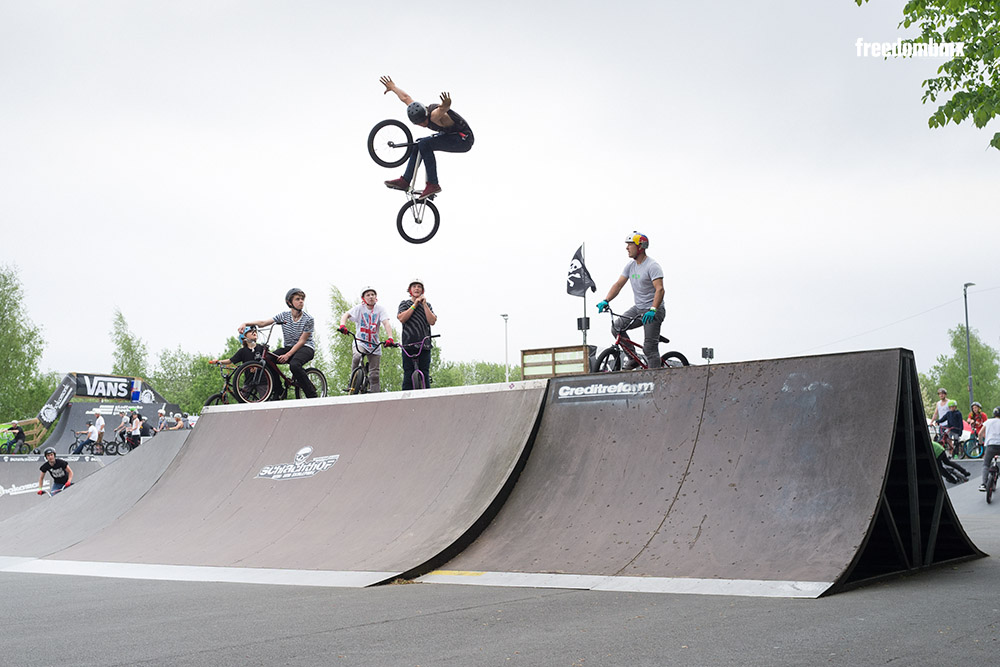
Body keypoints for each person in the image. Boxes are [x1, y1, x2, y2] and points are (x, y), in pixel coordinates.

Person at [380, 76, 474, 201]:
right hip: (450, 135)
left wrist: (446, 105)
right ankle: (405, 180)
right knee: (418, 143)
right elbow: (406, 98)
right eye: (419, 124)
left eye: (423, 121)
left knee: (425, 144)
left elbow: (441, 110)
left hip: (463, 139)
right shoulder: (419, 109)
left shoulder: (434, 116)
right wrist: (393, 87)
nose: (423, 124)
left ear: (426, 115)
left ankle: (433, 184)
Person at [596, 232, 665, 369]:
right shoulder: (630, 266)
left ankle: (655, 379)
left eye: (630, 244)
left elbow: (660, 290)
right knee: (616, 327)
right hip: (638, 309)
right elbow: (618, 285)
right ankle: (632, 358)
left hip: (653, 310)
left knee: (649, 349)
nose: (627, 248)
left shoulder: (652, 266)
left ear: (640, 247)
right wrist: (606, 300)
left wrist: (653, 309)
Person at [239, 288, 318, 399]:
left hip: (305, 348)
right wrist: (246, 323)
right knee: (267, 359)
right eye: (297, 299)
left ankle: (312, 395)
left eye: (302, 299)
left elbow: (302, 341)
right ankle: (279, 390)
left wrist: (288, 355)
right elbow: (263, 323)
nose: (301, 302)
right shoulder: (283, 316)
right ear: (289, 303)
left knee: (294, 365)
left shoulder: (308, 319)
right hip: (289, 347)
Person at [339, 286, 395, 393]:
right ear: (363, 298)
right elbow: (345, 315)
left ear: (376, 297)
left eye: (373, 294)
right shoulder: (359, 308)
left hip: (374, 344)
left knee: (374, 374)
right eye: (368, 295)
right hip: (360, 341)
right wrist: (342, 326)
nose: (371, 297)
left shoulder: (380, 309)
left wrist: (390, 338)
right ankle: (352, 381)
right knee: (357, 356)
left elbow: (386, 323)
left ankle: (375, 395)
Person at [209, 324, 281, 396]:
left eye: (255, 331)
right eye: (250, 331)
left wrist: (258, 368)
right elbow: (230, 360)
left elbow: (267, 361)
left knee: (265, 399)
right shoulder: (242, 351)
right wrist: (218, 361)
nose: (254, 332)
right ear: (244, 337)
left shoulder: (261, 348)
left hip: (262, 380)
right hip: (249, 380)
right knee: (242, 398)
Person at [397, 278, 437, 390]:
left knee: (425, 373)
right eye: (414, 286)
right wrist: (414, 304)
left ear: (422, 290)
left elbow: (432, 321)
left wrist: (424, 305)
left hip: (424, 344)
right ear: (410, 290)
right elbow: (402, 318)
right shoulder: (405, 303)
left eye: (419, 287)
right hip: (408, 345)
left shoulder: (427, 305)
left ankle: (426, 398)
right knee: (408, 374)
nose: (417, 289)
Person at [979, 407, 1000, 492]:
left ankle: (983, 484)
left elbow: (980, 433)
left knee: (986, 464)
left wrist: (980, 443)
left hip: (991, 445)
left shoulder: (988, 421)